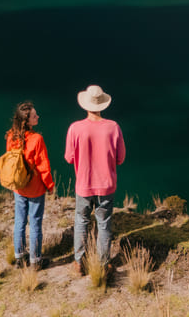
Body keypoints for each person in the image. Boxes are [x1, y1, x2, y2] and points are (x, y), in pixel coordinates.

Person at [64, 83, 126, 274]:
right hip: (106, 185)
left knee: (82, 221)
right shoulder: (113, 128)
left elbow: (69, 158)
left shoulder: (75, 128)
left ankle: (78, 263)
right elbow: (120, 158)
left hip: (83, 185)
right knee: (104, 223)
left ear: (85, 104)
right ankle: (103, 264)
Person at [6, 101, 55, 269]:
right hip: (34, 189)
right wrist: (50, 186)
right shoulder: (37, 139)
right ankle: (35, 260)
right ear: (27, 121)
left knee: (19, 220)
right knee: (35, 223)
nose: (38, 117)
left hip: (18, 186)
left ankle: (19, 257)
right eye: (34, 116)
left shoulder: (11, 136)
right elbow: (43, 166)